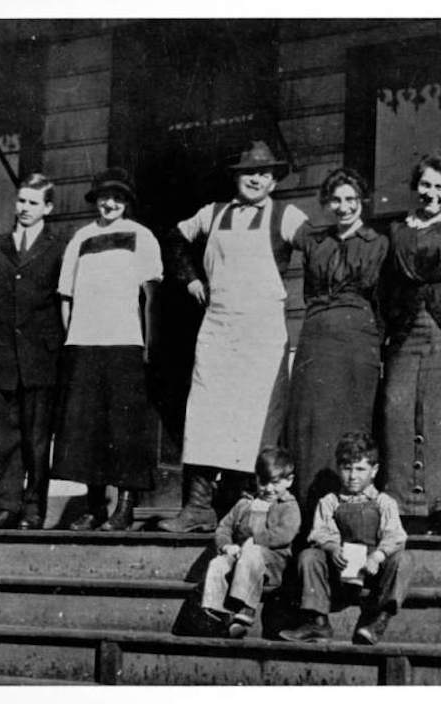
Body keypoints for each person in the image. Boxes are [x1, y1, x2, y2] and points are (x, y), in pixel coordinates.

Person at [158, 141, 308, 533]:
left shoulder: (285, 215)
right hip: (220, 330)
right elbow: (172, 239)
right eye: (248, 172)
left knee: (254, 420)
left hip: (261, 334)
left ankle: (242, 510)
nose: (256, 178)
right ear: (236, 177)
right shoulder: (213, 213)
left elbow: (320, 247)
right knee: (206, 416)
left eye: (264, 173)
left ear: (274, 181)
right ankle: (198, 508)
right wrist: (190, 279)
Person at [52, 168, 163, 531]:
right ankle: (95, 505)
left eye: (117, 197)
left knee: (125, 427)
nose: (109, 203)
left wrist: (148, 344)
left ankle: (125, 507)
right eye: (103, 197)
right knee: (87, 428)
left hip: (125, 343)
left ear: (126, 202)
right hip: (84, 345)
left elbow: (151, 296)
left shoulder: (140, 236)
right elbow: (65, 295)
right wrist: (74, 336)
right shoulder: (80, 238)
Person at [285, 168, 388, 515]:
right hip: (316, 339)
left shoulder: (378, 243)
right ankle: (308, 510)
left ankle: (352, 512)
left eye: (351, 200)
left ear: (362, 202)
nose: (344, 207)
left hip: (357, 343)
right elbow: (310, 291)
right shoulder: (316, 242)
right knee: (310, 424)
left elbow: (381, 299)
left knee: (351, 421)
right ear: (327, 203)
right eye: (336, 200)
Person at [379, 152, 441, 533]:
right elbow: (387, 282)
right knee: (396, 412)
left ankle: (440, 504)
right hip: (404, 329)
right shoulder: (398, 229)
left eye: (440, 186)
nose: (431, 193)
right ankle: (403, 505)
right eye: (426, 185)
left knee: (440, 415)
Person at [0, 173, 68, 530]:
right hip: (4, 357)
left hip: (42, 358)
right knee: (8, 436)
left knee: (36, 438)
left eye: (33, 202)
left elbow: (63, 300)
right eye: (21, 201)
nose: (25, 208)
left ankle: (34, 508)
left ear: (47, 207)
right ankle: (7, 505)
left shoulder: (59, 247)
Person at [279, 431, 411, 645]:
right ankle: (318, 622)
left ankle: (378, 619)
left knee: (403, 560)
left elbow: (395, 535)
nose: (353, 476)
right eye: (346, 468)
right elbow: (320, 531)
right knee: (309, 555)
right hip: (340, 574)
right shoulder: (330, 501)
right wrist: (332, 548)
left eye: (360, 469)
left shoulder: (384, 502)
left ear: (374, 470)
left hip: (372, 574)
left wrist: (377, 557)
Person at [200, 446, 301, 638]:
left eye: (276, 482)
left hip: (273, 564)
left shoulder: (288, 506)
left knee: (252, 551)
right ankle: (216, 612)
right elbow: (224, 527)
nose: (269, 488)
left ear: (289, 481)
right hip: (242, 561)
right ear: (256, 478)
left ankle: (246, 607)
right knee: (218, 563)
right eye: (263, 482)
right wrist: (227, 546)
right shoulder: (244, 504)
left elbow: (284, 535)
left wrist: (254, 541)